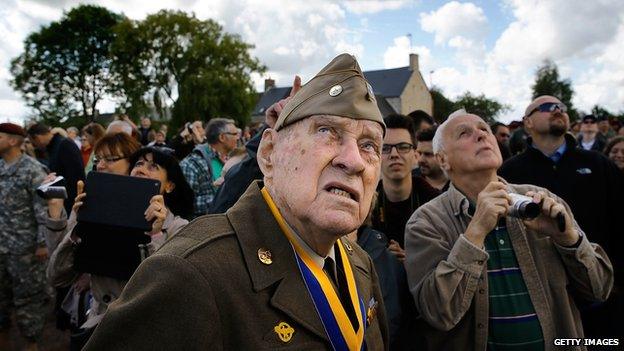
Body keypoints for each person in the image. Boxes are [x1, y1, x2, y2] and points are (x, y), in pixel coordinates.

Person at [84, 53, 388, 350]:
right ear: (269, 153)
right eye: (327, 131)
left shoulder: (359, 263)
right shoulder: (191, 273)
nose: (355, 161)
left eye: (369, 145)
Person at [405, 109, 613, 350]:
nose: (481, 135)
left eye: (484, 129)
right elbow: (439, 313)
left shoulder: (541, 199)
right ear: (443, 160)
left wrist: (568, 239)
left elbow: (600, 290)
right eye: (464, 133)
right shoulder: (426, 222)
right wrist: (475, 232)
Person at [499, 95, 624, 341]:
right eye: (546, 107)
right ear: (528, 123)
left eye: (561, 107)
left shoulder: (599, 164)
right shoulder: (509, 173)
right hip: (541, 297)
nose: (557, 110)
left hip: (601, 292)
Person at [47, 139, 191, 348]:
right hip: (98, 329)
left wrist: (155, 236)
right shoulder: (96, 212)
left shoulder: (179, 228)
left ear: (169, 186)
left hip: (146, 334)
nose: (142, 170)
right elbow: (57, 277)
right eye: (139, 164)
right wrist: (78, 228)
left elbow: (164, 291)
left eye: (153, 166)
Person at [0, 123, 50, 351]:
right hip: (2, 246)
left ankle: (31, 343)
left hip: (25, 249)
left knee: (28, 299)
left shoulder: (33, 170)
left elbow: (43, 209)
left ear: (12, 141)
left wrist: (41, 243)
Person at [371, 114, 439, 262]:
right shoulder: (367, 204)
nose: (394, 155)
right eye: (386, 148)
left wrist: (413, 259)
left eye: (402, 147)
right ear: (376, 156)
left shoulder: (436, 203)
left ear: (415, 155)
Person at [180, 117, 240, 218]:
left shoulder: (231, 159)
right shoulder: (191, 164)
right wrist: (225, 197)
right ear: (222, 137)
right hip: (205, 227)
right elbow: (186, 203)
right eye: (235, 134)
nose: (238, 138)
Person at [27, 123, 85, 214]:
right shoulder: (55, 147)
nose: (35, 147)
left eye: (34, 144)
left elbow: (76, 177)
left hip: (71, 204)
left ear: (37, 138)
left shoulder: (64, 144)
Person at [416, 127, 449, 191]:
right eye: (419, 153)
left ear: (443, 155)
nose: (420, 160)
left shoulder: (459, 184)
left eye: (428, 154)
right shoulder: (411, 181)